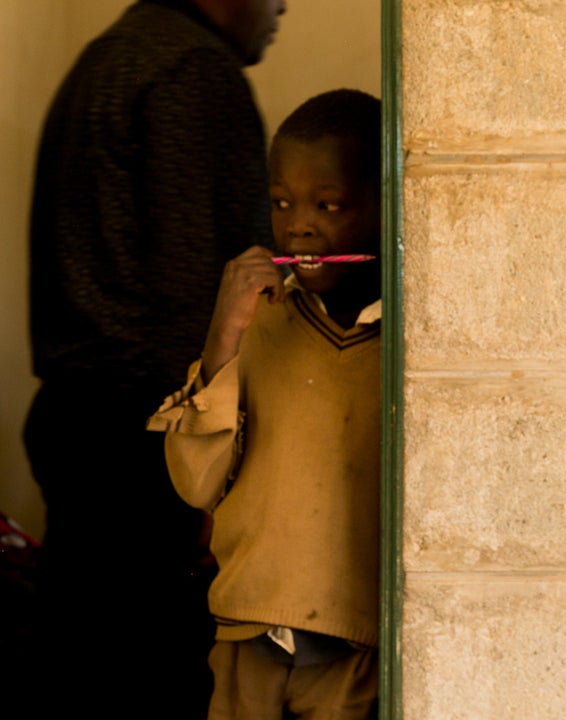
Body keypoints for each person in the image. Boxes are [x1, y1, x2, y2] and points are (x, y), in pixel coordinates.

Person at [24, 1, 286, 717]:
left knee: (81, 662)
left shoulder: (115, 53)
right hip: (144, 435)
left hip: (78, 417)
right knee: (148, 673)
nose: (282, 5)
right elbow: (198, 292)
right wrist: (211, 466)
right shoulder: (193, 69)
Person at [147, 88, 382, 720]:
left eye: (328, 206)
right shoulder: (260, 326)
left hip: (353, 648)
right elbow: (196, 484)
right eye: (281, 203)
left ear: (387, 205)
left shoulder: (407, 351)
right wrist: (223, 334)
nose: (299, 225)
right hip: (243, 638)